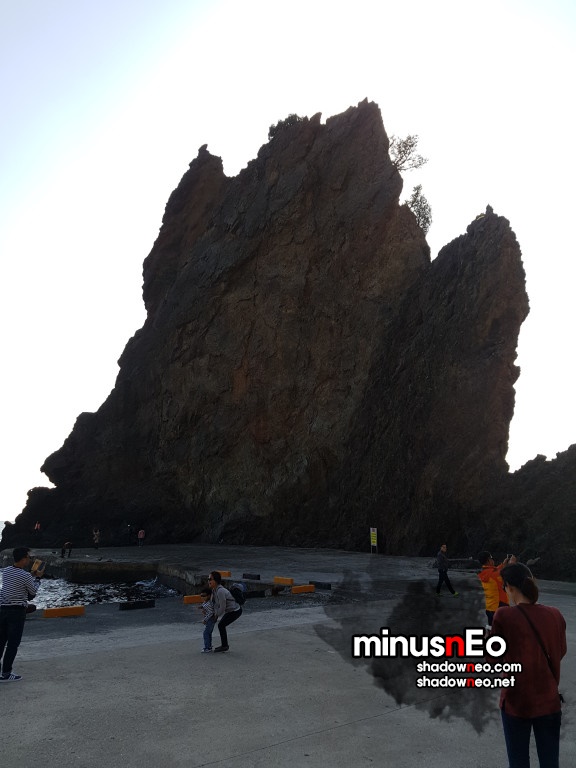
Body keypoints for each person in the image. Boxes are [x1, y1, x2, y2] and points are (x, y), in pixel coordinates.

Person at [491, 562, 566, 768]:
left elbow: (492, 658)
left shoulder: (504, 615)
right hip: (549, 701)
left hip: (516, 703)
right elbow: (560, 650)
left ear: (509, 587)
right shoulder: (555, 614)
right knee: (550, 762)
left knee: (518, 762)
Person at [0, 547, 45, 682]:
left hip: (3, 609)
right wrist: (37, 578)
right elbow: (32, 593)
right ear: (24, 558)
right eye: (29, 557)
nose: (30, 560)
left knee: (1, 641)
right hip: (17, 612)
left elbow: (17, 579)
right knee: (13, 644)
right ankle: (6, 673)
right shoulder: (25, 576)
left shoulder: (6, 571)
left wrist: (31, 575)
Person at [208, 571, 242, 653]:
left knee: (221, 625)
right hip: (230, 611)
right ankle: (224, 645)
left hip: (235, 611)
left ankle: (224, 646)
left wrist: (216, 615)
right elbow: (216, 604)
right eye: (208, 579)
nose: (208, 581)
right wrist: (214, 614)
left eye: (210, 579)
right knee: (221, 625)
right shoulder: (214, 590)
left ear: (216, 581)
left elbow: (222, 607)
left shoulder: (220, 591)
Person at [477, 551, 513, 626]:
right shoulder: (495, 574)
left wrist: (503, 564)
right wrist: (511, 565)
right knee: (504, 628)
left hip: (489, 606)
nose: (493, 560)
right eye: (491, 558)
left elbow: (495, 571)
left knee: (492, 627)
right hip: (500, 606)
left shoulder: (483, 573)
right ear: (488, 560)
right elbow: (505, 576)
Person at [198, 587, 216, 653]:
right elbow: (204, 605)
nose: (202, 597)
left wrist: (205, 620)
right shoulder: (207, 602)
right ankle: (209, 646)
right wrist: (202, 607)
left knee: (206, 633)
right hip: (211, 620)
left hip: (210, 620)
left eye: (204, 596)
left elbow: (211, 613)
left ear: (208, 596)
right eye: (201, 596)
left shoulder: (208, 604)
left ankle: (207, 647)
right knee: (208, 633)